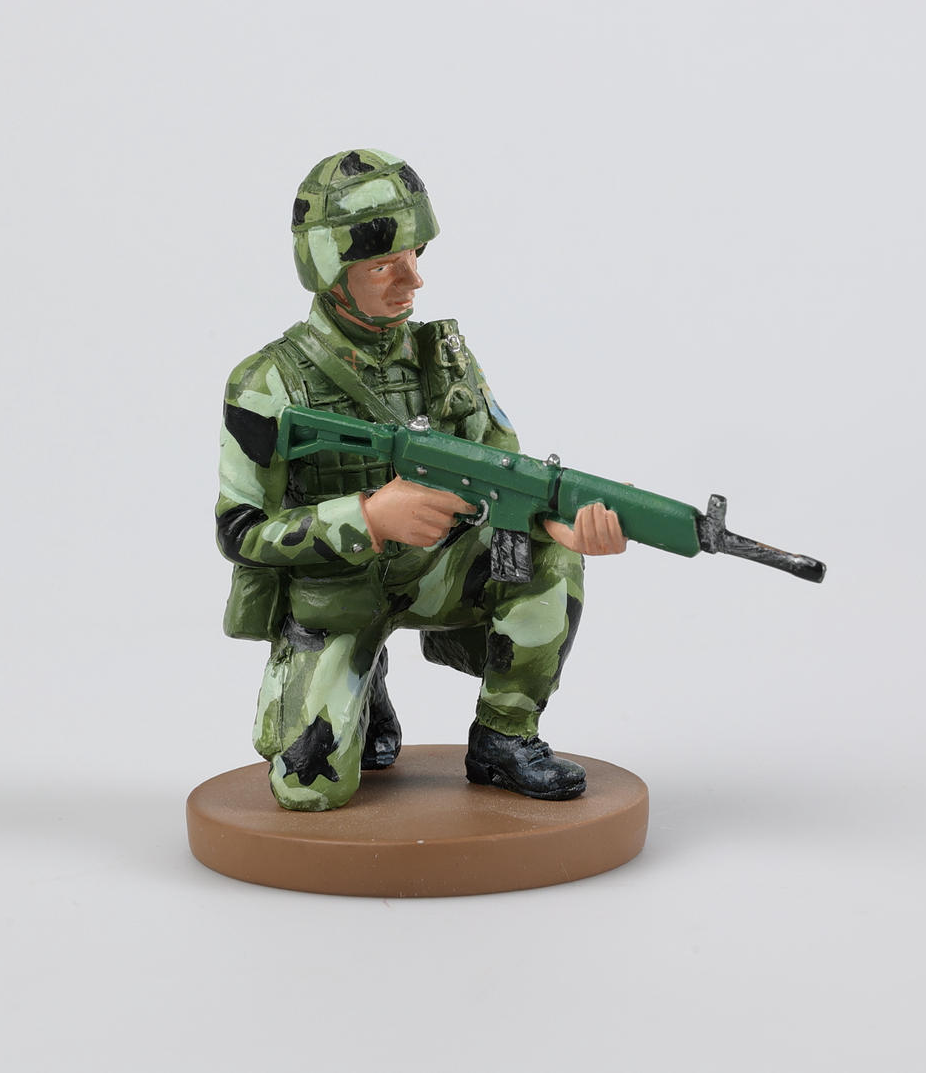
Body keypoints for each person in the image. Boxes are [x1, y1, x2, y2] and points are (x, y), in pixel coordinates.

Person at [216, 149, 624, 811]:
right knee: (309, 792)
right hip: (333, 595)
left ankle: (504, 737)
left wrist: (556, 525)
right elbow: (240, 532)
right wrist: (369, 517)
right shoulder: (269, 383)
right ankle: (359, 678)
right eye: (383, 265)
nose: (413, 280)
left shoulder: (445, 359)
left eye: (415, 256)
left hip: (435, 571)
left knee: (546, 560)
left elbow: (505, 472)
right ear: (329, 270)